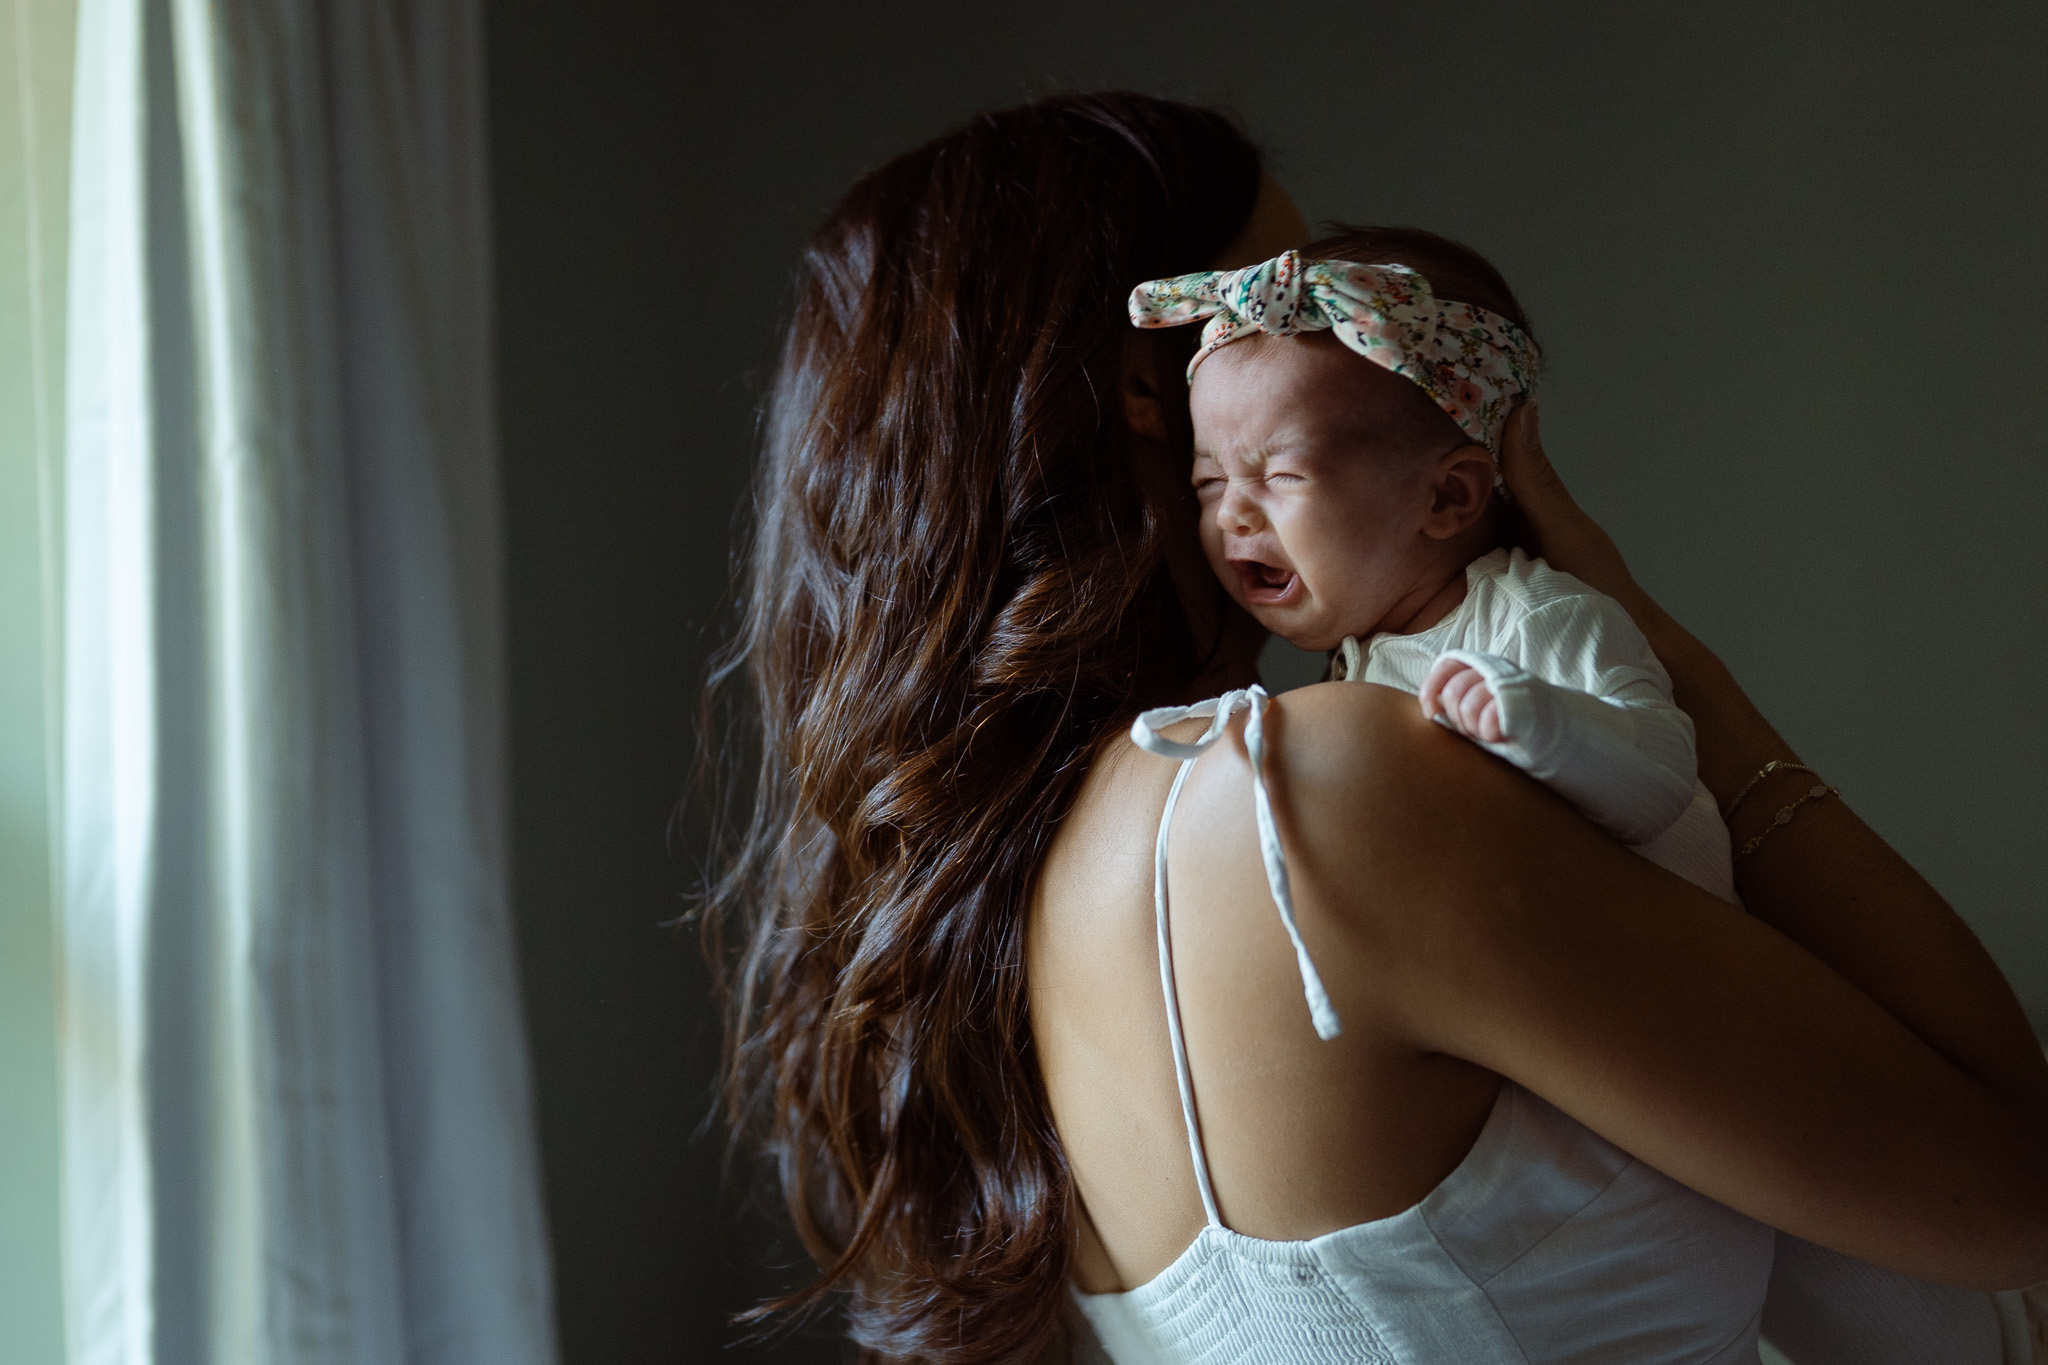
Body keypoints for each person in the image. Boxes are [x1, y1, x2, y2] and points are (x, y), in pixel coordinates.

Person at [708, 91, 2048, 1364]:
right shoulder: (1324, 800)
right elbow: (2010, 1187)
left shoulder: (1012, 891)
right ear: (1153, 395)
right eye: (1314, 304)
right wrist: (1647, 636)